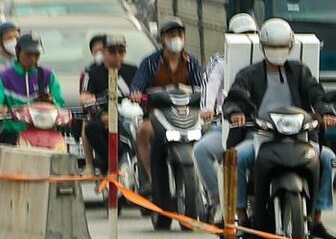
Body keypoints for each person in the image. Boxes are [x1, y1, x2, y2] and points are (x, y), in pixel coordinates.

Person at [222, 19, 336, 239]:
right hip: (261, 135)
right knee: (237, 158)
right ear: (263, 48)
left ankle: (318, 218)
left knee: (328, 158)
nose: (277, 52)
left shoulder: (301, 72)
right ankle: (242, 217)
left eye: (282, 47)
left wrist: (327, 113)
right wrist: (236, 112)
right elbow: (235, 98)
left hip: (299, 136)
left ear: (290, 47)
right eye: (272, 47)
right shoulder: (249, 74)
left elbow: (317, 96)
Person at [129, 17, 204, 204]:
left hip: (187, 115)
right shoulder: (150, 62)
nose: (176, 38)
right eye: (171, 35)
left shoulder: (191, 61)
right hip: (157, 116)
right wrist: (137, 94)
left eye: (179, 34)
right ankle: (151, 178)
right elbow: (136, 87)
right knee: (142, 133)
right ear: (162, 38)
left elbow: (202, 87)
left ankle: (205, 189)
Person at [197, 13, 260, 218]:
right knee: (201, 151)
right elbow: (212, 83)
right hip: (227, 126)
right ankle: (220, 201)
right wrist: (208, 108)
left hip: (261, 128)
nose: (247, 40)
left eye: (251, 34)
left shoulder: (267, 62)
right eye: (241, 36)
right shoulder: (220, 61)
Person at [0, 33, 65, 143]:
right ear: (18, 52)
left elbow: (60, 104)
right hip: (13, 134)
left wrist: (52, 102)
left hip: (45, 134)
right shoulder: (3, 78)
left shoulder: (48, 75)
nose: (33, 59)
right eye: (28, 54)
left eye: (36, 55)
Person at [79, 34, 138, 172]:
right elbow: (85, 98)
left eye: (121, 51)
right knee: (91, 128)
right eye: (112, 51)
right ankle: (109, 163)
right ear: (104, 52)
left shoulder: (133, 70)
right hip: (104, 117)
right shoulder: (92, 73)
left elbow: (142, 91)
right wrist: (101, 114)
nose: (117, 56)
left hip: (131, 117)